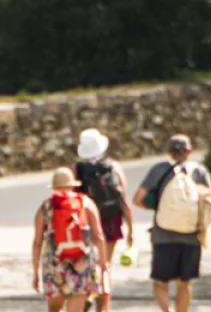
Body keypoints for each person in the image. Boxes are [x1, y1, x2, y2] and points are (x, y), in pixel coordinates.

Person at [133, 135, 211, 312]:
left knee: (160, 282)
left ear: (169, 152)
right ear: (189, 152)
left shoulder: (159, 170)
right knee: (184, 283)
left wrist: (159, 208)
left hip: (163, 234)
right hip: (191, 235)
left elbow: (137, 199)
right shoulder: (200, 171)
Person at [72, 129, 133, 312]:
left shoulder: (76, 170)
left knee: (84, 267)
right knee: (105, 265)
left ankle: (87, 298)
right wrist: (131, 228)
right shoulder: (113, 167)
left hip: (85, 223)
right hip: (110, 220)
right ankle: (103, 308)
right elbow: (123, 200)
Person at [34, 167, 111, 312]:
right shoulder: (86, 203)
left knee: (54, 308)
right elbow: (99, 236)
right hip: (81, 262)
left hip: (54, 262)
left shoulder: (45, 207)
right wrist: (103, 262)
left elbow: (37, 241)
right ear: (73, 185)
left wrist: (35, 271)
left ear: (54, 187)